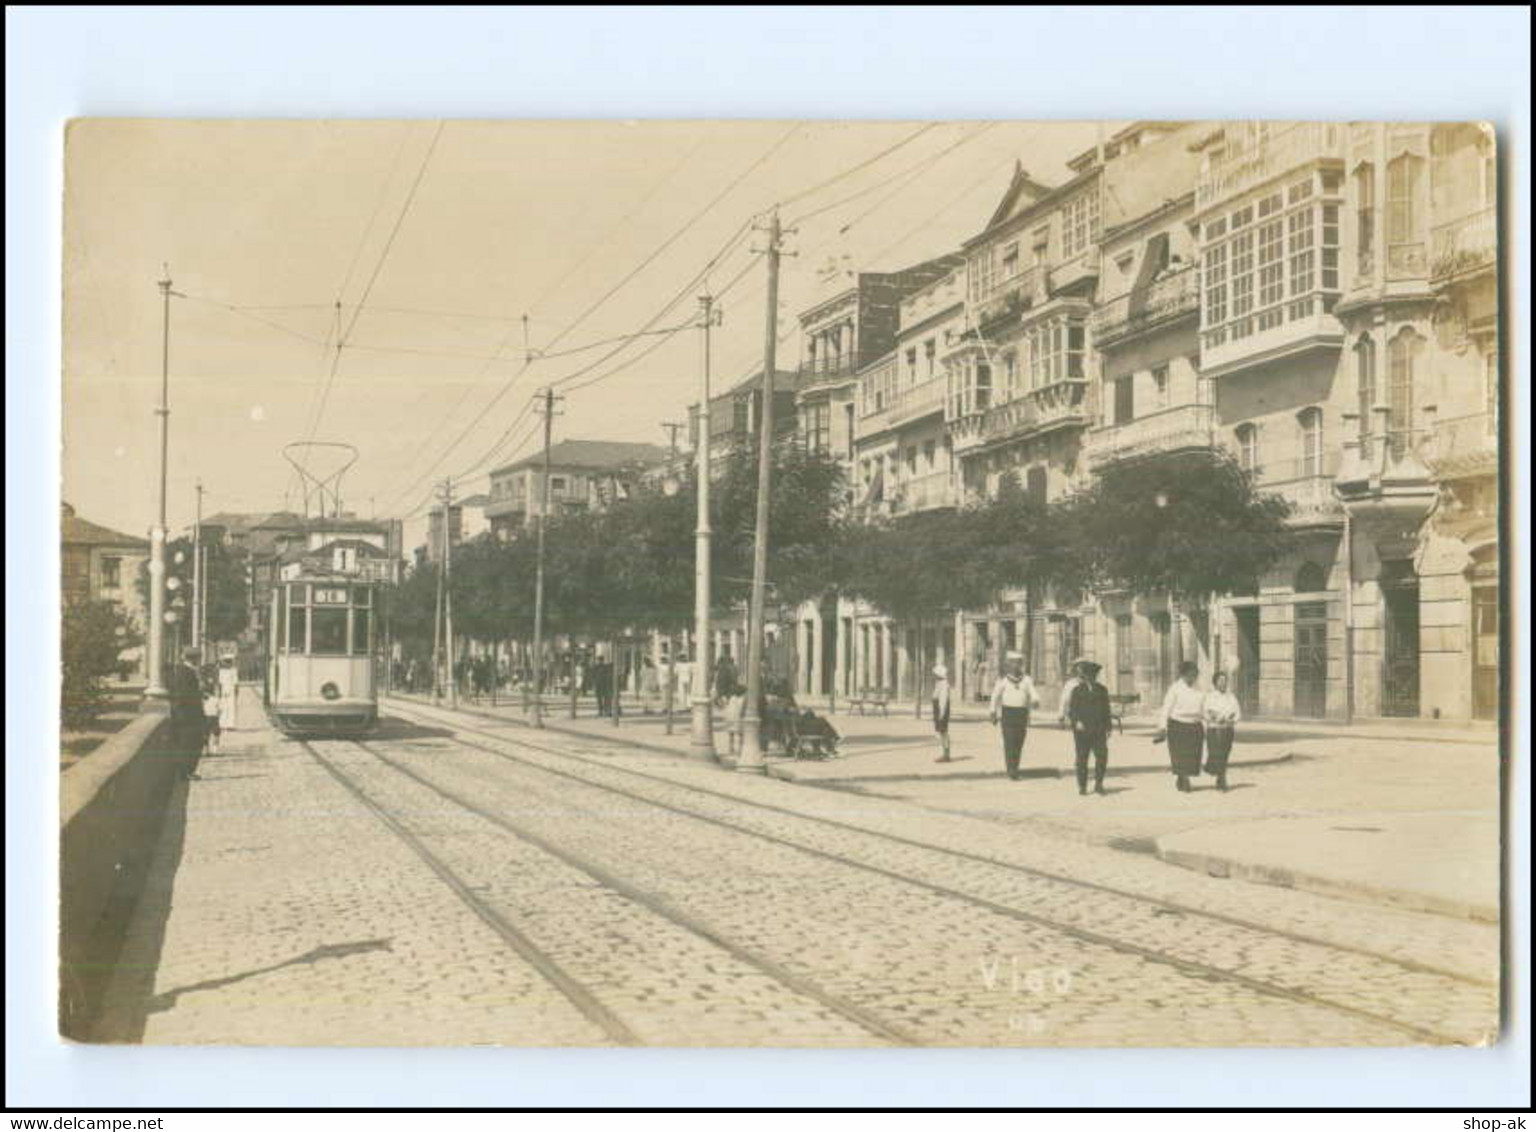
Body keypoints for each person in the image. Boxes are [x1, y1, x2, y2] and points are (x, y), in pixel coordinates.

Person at [989, 651, 1040, 780]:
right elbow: (995, 697)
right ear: (1008, 665)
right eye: (1013, 663)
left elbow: (1033, 693)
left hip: (1021, 714)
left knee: (1019, 742)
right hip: (1008, 714)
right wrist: (993, 712)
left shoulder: (1027, 680)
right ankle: (1011, 770)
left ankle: (1015, 766)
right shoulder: (1003, 680)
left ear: (1021, 665)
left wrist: (1035, 701)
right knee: (1009, 741)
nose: (1016, 666)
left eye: (1018, 663)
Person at [1066, 660, 1113, 796]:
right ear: (1085, 676)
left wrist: (1109, 727)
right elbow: (1072, 710)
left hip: (1099, 729)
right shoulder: (1077, 690)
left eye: (1094, 675)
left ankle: (1099, 784)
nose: (1092, 677)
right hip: (1082, 730)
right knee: (1082, 758)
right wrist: (1077, 722)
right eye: (1089, 675)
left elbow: (1106, 710)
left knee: (1102, 756)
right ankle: (1082, 786)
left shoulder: (1102, 690)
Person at [1159, 660, 1206, 792]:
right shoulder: (1175, 688)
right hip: (1177, 725)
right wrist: (1162, 727)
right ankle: (1185, 780)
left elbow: (1204, 707)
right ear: (1183, 675)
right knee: (1180, 755)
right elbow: (1166, 708)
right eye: (1190, 675)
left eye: (1195, 675)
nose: (1193, 678)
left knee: (1193, 756)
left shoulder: (1200, 688)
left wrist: (1208, 724)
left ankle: (1182, 776)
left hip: (1195, 725)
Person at [1202, 671, 1242, 792]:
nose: (1223, 684)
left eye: (1224, 681)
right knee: (1215, 753)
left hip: (1227, 730)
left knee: (1224, 754)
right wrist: (1215, 717)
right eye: (1220, 681)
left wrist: (1231, 719)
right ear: (1215, 683)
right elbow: (1205, 712)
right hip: (1214, 729)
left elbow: (1238, 713)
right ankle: (1217, 774)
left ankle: (1221, 778)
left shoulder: (1231, 697)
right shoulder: (1210, 697)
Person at [931, 663, 953, 763]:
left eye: (935, 673)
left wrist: (941, 714)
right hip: (938, 710)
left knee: (943, 732)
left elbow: (943, 700)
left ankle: (946, 754)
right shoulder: (939, 684)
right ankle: (945, 753)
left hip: (941, 710)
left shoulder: (943, 685)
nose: (934, 675)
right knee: (941, 732)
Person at [1057, 658, 1086, 727]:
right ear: (1076, 669)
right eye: (1080, 667)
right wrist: (1061, 716)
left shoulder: (1090, 683)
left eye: (1084, 667)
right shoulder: (1070, 684)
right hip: (1073, 718)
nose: (1082, 670)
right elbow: (1064, 700)